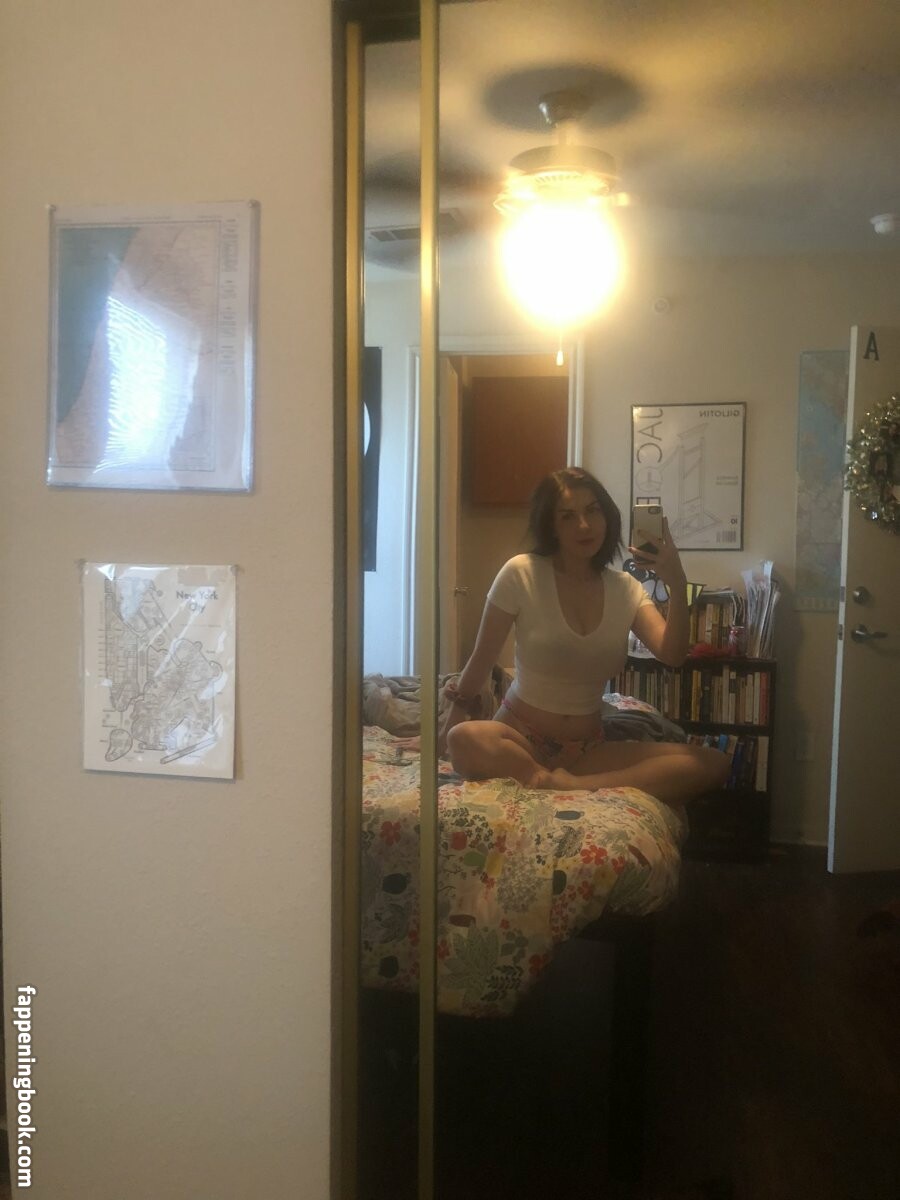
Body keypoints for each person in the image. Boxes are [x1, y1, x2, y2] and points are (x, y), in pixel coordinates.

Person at [439, 467, 729, 806]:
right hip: (518, 738)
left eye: (593, 511)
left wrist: (677, 583)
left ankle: (565, 784)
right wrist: (444, 730)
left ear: (607, 516)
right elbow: (481, 659)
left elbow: (673, 654)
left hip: (587, 749)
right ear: (551, 526)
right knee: (463, 738)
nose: (584, 525)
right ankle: (544, 777)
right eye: (568, 516)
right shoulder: (521, 573)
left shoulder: (626, 589)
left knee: (714, 763)